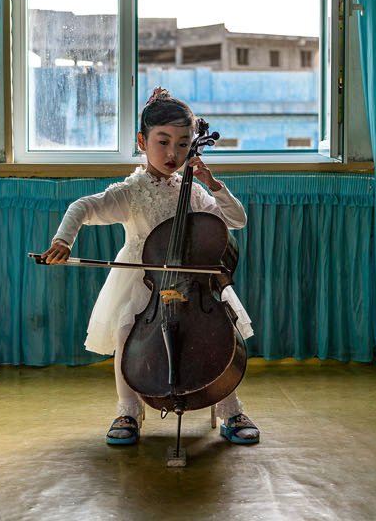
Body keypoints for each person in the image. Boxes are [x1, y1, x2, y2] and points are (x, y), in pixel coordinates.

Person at [36, 88, 260, 445]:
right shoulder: (131, 192)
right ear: (142, 140)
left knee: (218, 331)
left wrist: (212, 184)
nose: (174, 153)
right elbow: (83, 207)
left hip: (192, 284)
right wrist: (63, 240)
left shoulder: (196, 191)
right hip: (145, 283)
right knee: (128, 332)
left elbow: (236, 220)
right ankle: (128, 411)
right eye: (163, 141)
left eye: (184, 144)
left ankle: (229, 408)